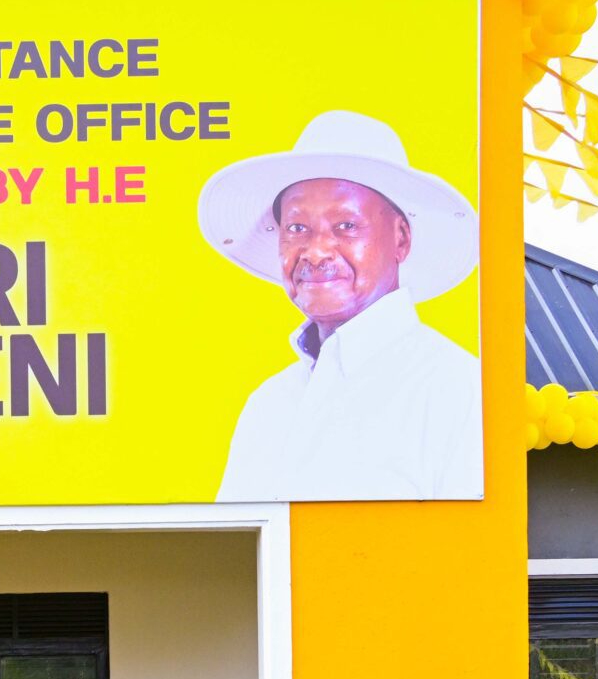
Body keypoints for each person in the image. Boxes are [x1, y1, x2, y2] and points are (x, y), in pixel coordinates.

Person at [198, 109, 481, 502]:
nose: (315, 252)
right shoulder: (268, 404)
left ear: (401, 239)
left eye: (346, 226)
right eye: (297, 228)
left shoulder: (459, 389)